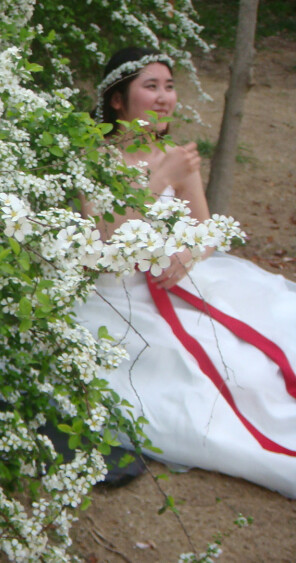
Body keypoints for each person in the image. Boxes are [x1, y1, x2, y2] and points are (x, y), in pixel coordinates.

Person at [75, 47, 296, 497]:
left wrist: (187, 256)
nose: (164, 98)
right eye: (150, 86)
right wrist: (159, 178)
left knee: (267, 347)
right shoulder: (94, 159)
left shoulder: (178, 154)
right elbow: (101, 240)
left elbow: (205, 229)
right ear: (118, 99)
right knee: (206, 376)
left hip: (182, 282)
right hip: (117, 295)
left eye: (170, 87)